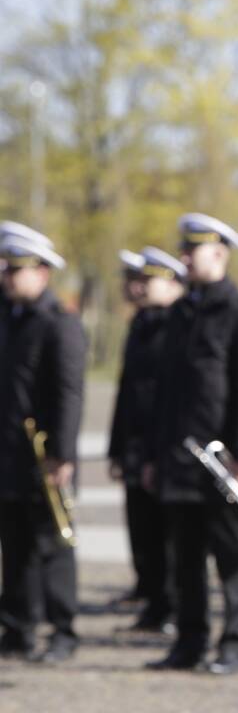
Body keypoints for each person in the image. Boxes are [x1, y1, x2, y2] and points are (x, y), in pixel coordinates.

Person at [147, 213, 238, 674]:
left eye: (191, 249)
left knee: (232, 555)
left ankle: (235, 644)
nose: (183, 257)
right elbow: (167, 392)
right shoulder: (180, 311)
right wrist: (156, 454)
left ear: (218, 253)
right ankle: (189, 642)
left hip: (224, 461)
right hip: (181, 456)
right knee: (185, 558)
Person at [0, 230, 86, 663]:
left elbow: (69, 392)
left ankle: (63, 631)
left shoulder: (59, 321)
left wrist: (63, 455)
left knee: (53, 545)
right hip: (9, 453)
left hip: (46, 454)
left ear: (43, 272)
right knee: (14, 545)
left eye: (16, 269)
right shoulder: (7, 316)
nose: (7, 276)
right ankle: (17, 628)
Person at [108, 247, 187, 633]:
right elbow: (128, 393)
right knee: (144, 530)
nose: (138, 288)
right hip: (138, 443)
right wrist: (117, 447)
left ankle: (170, 604)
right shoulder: (143, 324)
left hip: (163, 445)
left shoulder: (177, 324)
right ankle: (155, 602)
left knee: (168, 534)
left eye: (147, 280)